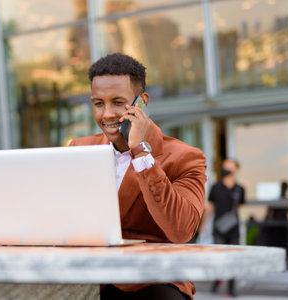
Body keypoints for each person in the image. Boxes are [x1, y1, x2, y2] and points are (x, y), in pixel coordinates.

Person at [69, 53, 207, 300]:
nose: (107, 114)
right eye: (98, 103)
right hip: (91, 278)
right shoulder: (79, 149)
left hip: (152, 281)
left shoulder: (185, 158)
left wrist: (140, 152)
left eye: (118, 102)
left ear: (142, 102)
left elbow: (181, 230)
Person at [199, 158, 245, 297]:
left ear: (236, 170)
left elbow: (239, 208)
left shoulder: (240, 189)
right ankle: (216, 280)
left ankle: (231, 288)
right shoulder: (215, 187)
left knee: (233, 259)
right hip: (218, 228)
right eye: (225, 166)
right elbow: (210, 207)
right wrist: (203, 225)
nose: (226, 169)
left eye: (229, 167)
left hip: (233, 230)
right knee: (219, 258)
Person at [264, 181, 288, 252]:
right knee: (275, 244)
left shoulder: (286, 200)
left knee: (282, 243)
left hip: (282, 224)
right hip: (275, 224)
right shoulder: (276, 199)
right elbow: (269, 211)